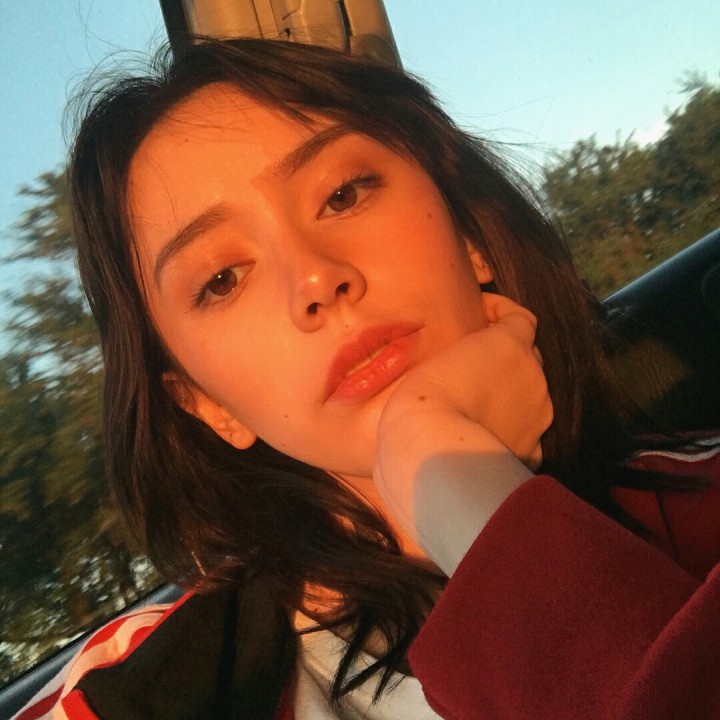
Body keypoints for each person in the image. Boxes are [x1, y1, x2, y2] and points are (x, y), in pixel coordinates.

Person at [16, 38, 720, 720]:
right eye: (223, 279)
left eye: (343, 195)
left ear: (469, 237)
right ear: (204, 404)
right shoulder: (134, 694)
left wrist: (464, 489)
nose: (315, 278)